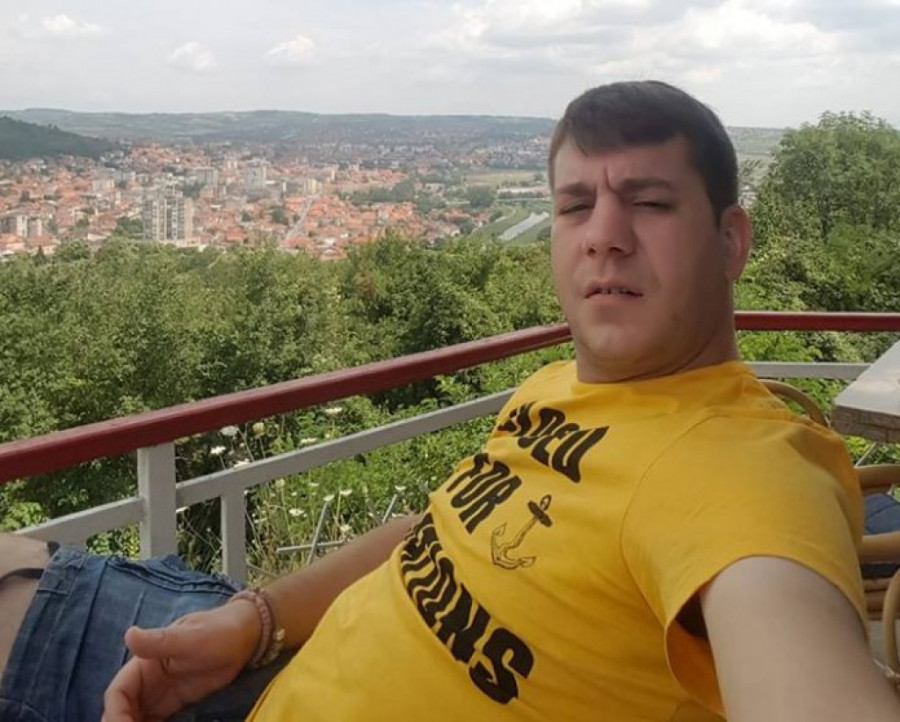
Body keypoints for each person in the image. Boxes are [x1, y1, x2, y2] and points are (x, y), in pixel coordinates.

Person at [1, 80, 898, 722]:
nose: (604, 236)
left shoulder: (738, 468)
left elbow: (793, 646)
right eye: (574, 205)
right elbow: (432, 530)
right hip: (263, 663)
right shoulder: (557, 389)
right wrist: (255, 618)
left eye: (650, 202)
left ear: (731, 240)